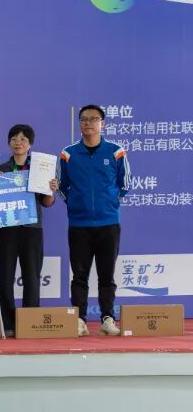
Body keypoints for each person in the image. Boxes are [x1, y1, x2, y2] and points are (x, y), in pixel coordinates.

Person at [59, 104, 129, 337]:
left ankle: (107, 319)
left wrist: (109, 202)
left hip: (108, 223)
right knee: (79, 276)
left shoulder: (116, 151)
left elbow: (125, 184)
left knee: (106, 275)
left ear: (102, 123)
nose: (88, 123)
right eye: (84, 119)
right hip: (79, 224)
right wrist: (74, 203)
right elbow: (61, 186)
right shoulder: (68, 154)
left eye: (93, 119)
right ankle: (79, 319)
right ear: (79, 123)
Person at [0, 123, 58, 337]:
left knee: (32, 276)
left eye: (23, 139)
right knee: (4, 276)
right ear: (8, 143)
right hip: (6, 229)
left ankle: (30, 322)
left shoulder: (40, 169)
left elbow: (47, 203)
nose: (18, 143)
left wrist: (51, 190)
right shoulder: (1, 170)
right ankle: (8, 323)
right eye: (14, 139)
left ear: (30, 144)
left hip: (32, 229)